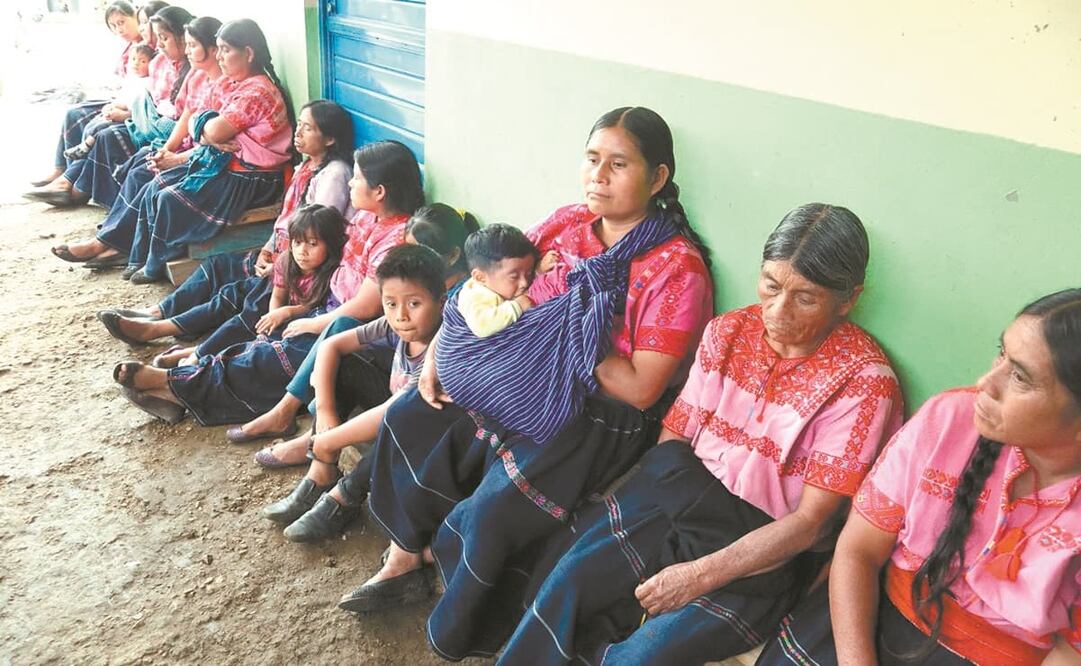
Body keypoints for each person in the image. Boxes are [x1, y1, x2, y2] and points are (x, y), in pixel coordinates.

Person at [347, 107, 715, 659]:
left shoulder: (676, 269)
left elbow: (641, 389)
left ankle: (456, 595)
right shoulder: (568, 224)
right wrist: (439, 354)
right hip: (513, 368)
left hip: (595, 410)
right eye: (592, 159)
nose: (598, 176)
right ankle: (406, 551)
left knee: (499, 505)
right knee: (412, 413)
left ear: (658, 177)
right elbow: (488, 288)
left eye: (618, 165)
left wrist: (569, 330)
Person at [494, 203, 904, 665]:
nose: (777, 311)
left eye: (805, 298)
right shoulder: (729, 331)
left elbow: (810, 524)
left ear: (847, 300)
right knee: (565, 586)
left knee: (638, 657)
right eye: (771, 285)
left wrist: (697, 575)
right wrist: (672, 523)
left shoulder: (863, 383)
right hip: (676, 498)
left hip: (759, 549)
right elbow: (674, 439)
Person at [756, 289, 1081, 666]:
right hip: (870, 620)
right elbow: (859, 550)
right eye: (1001, 354)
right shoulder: (949, 420)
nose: (986, 382)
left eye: (1020, 378)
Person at [108, 141, 424, 427]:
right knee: (253, 305)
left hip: (345, 325)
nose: (351, 183)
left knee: (270, 354)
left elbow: (365, 307)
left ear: (379, 191)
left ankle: (175, 384)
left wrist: (310, 321)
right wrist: (289, 272)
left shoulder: (394, 240)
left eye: (357, 178)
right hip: (322, 302)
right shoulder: (367, 217)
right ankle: (182, 354)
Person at [95, 100, 354, 362]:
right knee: (216, 267)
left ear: (330, 139)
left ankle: (165, 333)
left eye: (307, 128)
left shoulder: (334, 174)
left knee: (235, 296)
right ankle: (157, 313)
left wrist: (281, 262)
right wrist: (267, 248)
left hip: (302, 267)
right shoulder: (306, 167)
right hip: (283, 255)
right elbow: (286, 219)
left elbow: (316, 232)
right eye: (298, 125)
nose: (297, 133)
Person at [233, 204, 479, 468]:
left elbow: (407, 398)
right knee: (340, 340)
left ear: (453, 256)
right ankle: (293, 418)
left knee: (341, 355)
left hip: (414, 394)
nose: (412, 261)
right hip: (398, 362)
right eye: (408, 249)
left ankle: (311, 437)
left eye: (422, 252)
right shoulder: (414, 290)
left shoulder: (458, 301)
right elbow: (335, 345)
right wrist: (324, 408)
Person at [260, 244, 448, 540]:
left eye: (414, 303)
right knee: (344, 366)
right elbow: (331, 346)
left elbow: (396, 409)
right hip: (390, 411)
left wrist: (329, 439)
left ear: (441, 302)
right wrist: (325, 411)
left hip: (419, 434)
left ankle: (345, 497)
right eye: (390, 303)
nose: (401, 315)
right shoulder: (393, 325)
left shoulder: (444, 351)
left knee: (401, 420)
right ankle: (321, 473)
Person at [122, 18, 295, 284]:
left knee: (169, 198)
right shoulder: (231, 83)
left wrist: (208, 131)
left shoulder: (258, 91)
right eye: (219, 49)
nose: (220, 56)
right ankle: (141, 257)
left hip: (254, 178)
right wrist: (207, 131)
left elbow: (213, 130)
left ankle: (157, 263)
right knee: (156, 184)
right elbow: (199, 118)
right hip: (227, 165)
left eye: (226, 50)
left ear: (248, 53)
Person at [51, 13, 223, 268]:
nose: (187, 50)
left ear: (213, 49)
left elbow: (212, 141)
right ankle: (111, 240)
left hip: (205, 159)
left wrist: (175, 157)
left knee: (145, 173)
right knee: (140, 163)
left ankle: (107, 243)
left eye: (192, 45)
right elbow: (187, 115)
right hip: (184, 147)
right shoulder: (197, 76)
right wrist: (166, 150)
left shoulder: (225, 85)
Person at [31, 2, 189, 209]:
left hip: (151, 121)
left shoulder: (171, 63)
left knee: (104, 132)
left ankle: (76, 187)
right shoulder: (156, 59)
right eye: (113, 25)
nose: (144, 29)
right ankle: (64, 175)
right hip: (139, 111)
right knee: (78, 115)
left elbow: (172, 110)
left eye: (124, 22)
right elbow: (146, 96)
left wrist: (129, 114)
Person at [30, 0, 145, 190]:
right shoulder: (129, 47)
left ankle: (72, 182)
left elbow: (144, 94)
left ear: (136, 16)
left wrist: (123, 110)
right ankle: (61, 169)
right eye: (114, 26)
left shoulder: (147, 50)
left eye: (122, 22)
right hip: (121, 99)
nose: (119, 29)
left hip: (132, 106)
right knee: (74, 113)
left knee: (96, 127)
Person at [62, 44, 155, 162]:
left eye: (142, 61)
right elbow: (122, 98)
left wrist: (121, 111)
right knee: (94, 123)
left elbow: (137, 106)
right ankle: (81, 151)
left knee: (101, 128)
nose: (136, 64)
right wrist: (111, 106)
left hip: (132, 116)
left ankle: (85, 147)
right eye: (133, 59)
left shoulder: (148, 83)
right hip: (120, 109)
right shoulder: (131, 79)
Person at [457, 223, 539, 337]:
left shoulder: (496, 284)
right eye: (514, 277)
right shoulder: (474, 296)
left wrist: (539, 269)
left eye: (529, 273)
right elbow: (481, 327)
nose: (524, 283)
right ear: (480, 277)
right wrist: (517, 306)